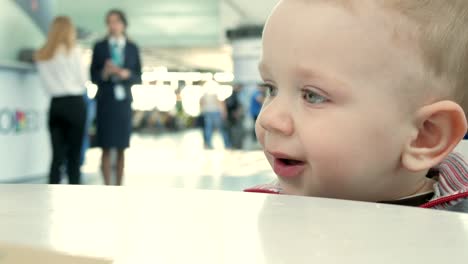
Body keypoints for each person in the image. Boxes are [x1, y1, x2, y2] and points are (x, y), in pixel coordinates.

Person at [245, 0, 468, 212]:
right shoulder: (254, 209)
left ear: (424, 135)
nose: (269, 118)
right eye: (271, 88)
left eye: (312, 96)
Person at [90, 9, 142, 185]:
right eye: (110, 22)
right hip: (106, 100)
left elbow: (138, 76)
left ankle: (118, 185)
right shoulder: (100, 47)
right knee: (105, 145)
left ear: (123, 24)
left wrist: (126, 74)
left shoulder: (132, 48)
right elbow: (93, 76)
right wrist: (105, 72)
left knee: (121, 146)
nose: (113, 26)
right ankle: (106, 185)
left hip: (123, 101)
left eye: (116, 22)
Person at [35, 16, 87, 184]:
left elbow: (44, 84)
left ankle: (52, 192)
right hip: (75, 105)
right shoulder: (75, 52)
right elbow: (83, 80)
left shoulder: (43, 54)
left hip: (56, 105)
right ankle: (74, 192)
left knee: (56, 156)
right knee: (74, 154)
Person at [200, 82, 231, 149]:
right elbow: (221, 102)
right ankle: (227, 144)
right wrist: (224, 112)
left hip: (207, 111)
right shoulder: (216, 88)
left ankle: (208, 144)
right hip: (216, 111)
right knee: (221, 129)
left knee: (208, 128)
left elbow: (202, 101)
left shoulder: (205, 89)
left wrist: (203, 110)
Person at [225, 83, 245, 149]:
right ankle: (235, 145)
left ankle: (235, 145)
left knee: (235, 132)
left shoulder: (236, 95)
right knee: (235, 132)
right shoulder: (234, 95)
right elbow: (232, 105)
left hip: (232, 117)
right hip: (234, 118)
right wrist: (236, 113)